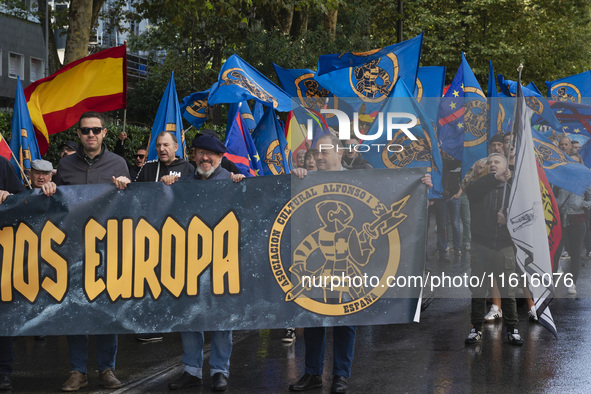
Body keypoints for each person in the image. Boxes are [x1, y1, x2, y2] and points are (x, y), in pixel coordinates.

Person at [291, 135, 431, 393]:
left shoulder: (362, 178)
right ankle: (312, 373)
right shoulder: (305, 178)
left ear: (338, 153)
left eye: (324, 152)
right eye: (316, 153)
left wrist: (419, 185)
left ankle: (340, 376)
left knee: (346, 318)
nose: (319, 157)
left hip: (348, 273)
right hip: (320, 271)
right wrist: (297, 174)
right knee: (313, 317)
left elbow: (391, 196)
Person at [155, 133, 244, 392]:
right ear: (193, 156)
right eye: (200, 153)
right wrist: (165, 188)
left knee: (222, 319)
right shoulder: (181, 183)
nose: (205, 158)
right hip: (189, 262)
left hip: (223, 261)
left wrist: (245, 186)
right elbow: (163, 214)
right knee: (189, 316)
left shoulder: (232, 181)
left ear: (220, 157)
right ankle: (191, 370)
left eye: (211, 154)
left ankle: (219, 370)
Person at [54, 111, 130, 391]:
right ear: (79, 134)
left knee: (107, 309)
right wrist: (50, 188)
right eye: (86, 130)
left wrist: (126, 188)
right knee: (74, 310)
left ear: (105, 133)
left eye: (96, 130)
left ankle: (107, 369)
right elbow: (57, 207)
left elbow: (132, 206)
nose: (91, 135)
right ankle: (77, 371)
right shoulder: (65, 166)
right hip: (74, 250)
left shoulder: (119, 163)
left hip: (109, 249)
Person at [464, 153, 523, 346]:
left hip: (504, 246)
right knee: (479, 290)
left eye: (497, 162)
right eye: (489, 162)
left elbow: (525, 217)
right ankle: (476, 328)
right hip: (481, 245)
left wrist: (508, 222)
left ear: (506, 167)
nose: (492, 165)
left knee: (508, 291)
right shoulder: (478, 187)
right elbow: (472, 192)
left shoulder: (514, 189)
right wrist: (493, 179)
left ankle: (513, 329)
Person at [0, 156, 27, 391]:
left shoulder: (2, 164)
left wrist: (8, 197)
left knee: (1, 313)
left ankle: (3, 371)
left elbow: (21, 199)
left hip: (2, 248)